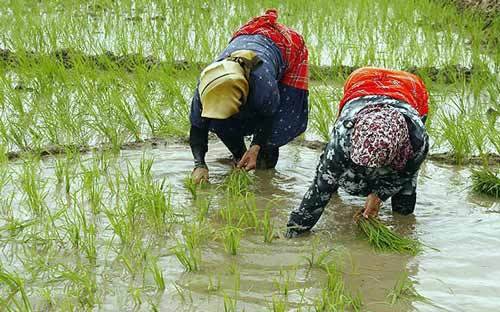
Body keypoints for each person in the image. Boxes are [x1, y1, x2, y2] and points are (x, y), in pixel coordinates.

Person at [286, 67, 429, 237]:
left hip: (409, 87)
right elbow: (320, 187)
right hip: (363, 81)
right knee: (331, 175)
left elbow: (405, 174)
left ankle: (404, 225)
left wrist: (378, 196)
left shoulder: (417, 141)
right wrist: (296, 229)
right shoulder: (343, 137)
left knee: (406, 189)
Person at [189, 9, 309, 183]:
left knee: (272, 138)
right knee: (221, 122)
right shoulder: (205, 89)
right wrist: (199, 164)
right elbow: (198, 127)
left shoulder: (263, 85)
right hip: (245, 42)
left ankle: (262, 165)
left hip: (286, 50)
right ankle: (239, 157)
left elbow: (269, 116)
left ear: (243, 97)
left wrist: (255, 147)